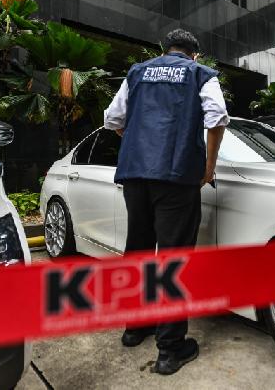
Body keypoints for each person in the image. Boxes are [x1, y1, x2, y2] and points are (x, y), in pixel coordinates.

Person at [103, 29, 229, 375]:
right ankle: (170, 349)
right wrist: (208, 167)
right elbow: (217, 117)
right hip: (176, 178)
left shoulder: (137, 72)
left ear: (164, 50)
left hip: (135, 175)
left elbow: (112, 119)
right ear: (194, 54)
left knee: (138, 250)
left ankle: (134, 328)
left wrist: (140, 140)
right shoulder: (200, 74)